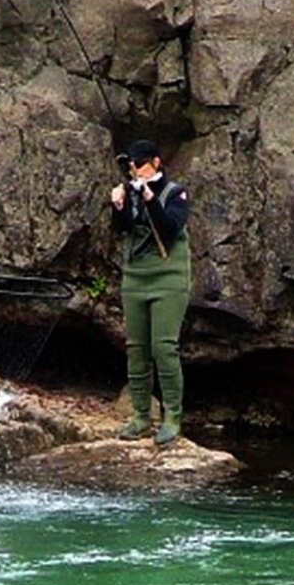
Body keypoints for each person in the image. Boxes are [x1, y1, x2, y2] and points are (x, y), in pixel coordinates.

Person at [110, 139, 191, 446]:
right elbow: (123, 230)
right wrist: (119, 206)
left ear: (156, 163)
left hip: (169, 278)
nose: (138, 170)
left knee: (164, 346)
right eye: (133, 166)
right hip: (135, 278)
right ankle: (141, 416)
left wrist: (148, 198)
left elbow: (170, 228)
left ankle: (172, 417)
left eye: (142, 164)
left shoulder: (176, 193)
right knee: (136, 348)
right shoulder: (131, 190)